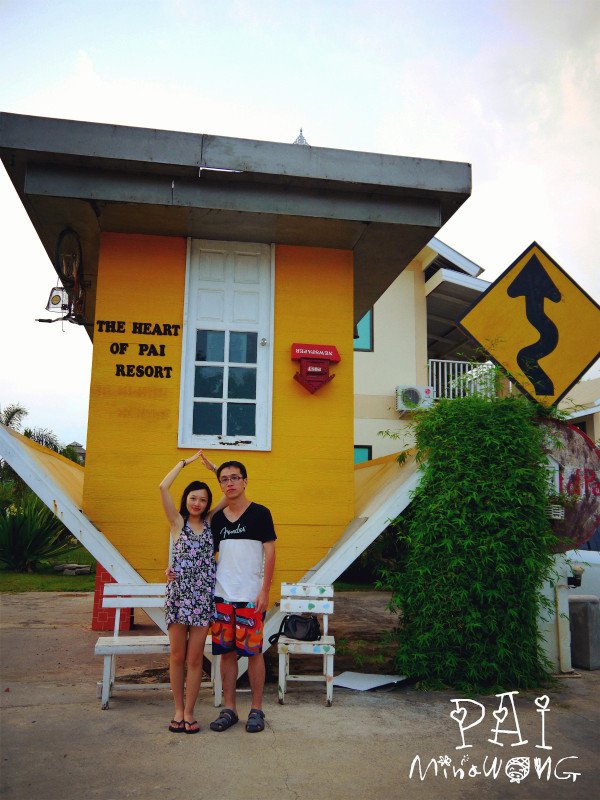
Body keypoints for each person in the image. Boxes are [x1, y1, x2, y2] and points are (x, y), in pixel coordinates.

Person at [208, 460, 276, 734]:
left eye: (235, 477)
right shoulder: (217, 519)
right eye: (224, 479)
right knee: (226, 654)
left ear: (245, 481)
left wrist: (265, 590)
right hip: (222, 597)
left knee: (254, 653)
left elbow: (270, 553)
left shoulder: (260, 513)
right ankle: (230, 709)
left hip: (250, 597)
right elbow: (203, 551)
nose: (230, 483)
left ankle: (256, 710)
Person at [159, 451, 224, 734]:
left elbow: (229, 492)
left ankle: (189, 712)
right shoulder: (177, 523)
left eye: (203, 499)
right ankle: (177, 709)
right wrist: (183, 463)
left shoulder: (210, 521)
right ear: (186, 499)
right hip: (179, 596)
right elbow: (163, 487)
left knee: (195, 659)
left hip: (202, 598)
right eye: (193, 498)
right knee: (177, 656)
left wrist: (215, 469)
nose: (197, 503)